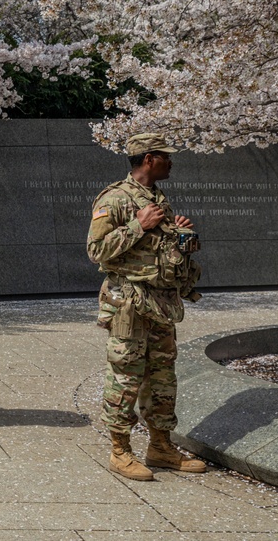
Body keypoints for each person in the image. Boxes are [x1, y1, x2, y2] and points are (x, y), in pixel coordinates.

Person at [87, 132, 206, 480]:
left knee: (162, 377)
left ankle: (160, 445)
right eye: (165, 156)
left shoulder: (157, 198)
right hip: (129, 304)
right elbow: (97, 250)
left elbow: (157, 248)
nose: (171, 161)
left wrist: (177, 234)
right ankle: (120, 450)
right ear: (149, 158)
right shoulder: (116, 198)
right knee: (125, 375)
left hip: (161, 302)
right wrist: (139, 225)